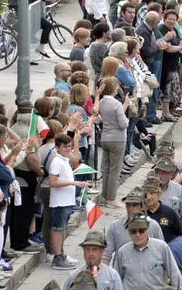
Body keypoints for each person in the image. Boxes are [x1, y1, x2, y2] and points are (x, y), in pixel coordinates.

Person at [48, 134, 90, 270]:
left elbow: (75, 159)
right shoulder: (56, 161)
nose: (67, 149)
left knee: (62, 229)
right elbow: (53, 182)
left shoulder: (64, 160)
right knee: (57, 229)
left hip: (66, 201)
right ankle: (57, 257)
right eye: (64, 146)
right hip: (59, 202)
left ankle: (61, 254)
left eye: (69, 146)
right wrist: (74, 182)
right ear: (57, 147)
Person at [111, 212, 182, 290]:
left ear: (147, 231)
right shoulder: (122, 252)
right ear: (129, 234)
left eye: (141, 231)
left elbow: (174, 274)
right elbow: (116, 279)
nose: (138, 235)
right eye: (133, 232)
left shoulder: (162, 247)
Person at [96, 76, 130, 208]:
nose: (118, 88)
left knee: (106, 169)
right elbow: (122, 124)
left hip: (105, 137)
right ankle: (111, 198)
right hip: (117, 139)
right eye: (116, 86)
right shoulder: (115, 104)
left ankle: (104, 196)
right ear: (113, 88)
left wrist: (125, 105)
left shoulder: (103, 102)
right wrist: (126, 120)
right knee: (115, 170)